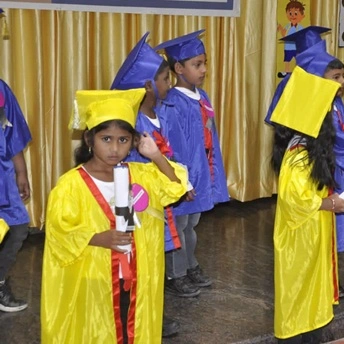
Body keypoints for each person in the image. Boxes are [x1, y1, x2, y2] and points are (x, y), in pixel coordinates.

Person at [41, 89, 189, 343]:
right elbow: (59, 231)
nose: (114, 148)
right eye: (106, 139)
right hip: (97, 277)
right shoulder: (70, 185)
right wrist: (100, 237)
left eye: (123, 140)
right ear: (89, 140)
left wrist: (155, 156)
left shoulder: (141, 175)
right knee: (102, 331)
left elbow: (176, 186)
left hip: (139, 274)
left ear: (133, 142)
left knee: (133, 329)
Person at [269, 54, 344, 342]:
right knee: (299, 294)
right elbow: (296, 201)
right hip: (299, 242)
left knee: (312, 295)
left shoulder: (308, 148)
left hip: (313, 236)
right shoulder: (298, 154)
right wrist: (331, 203)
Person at [111, 32, 187, 336]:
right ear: (147, 85)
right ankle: (136, 317)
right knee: (135, 264)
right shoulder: (133, 128)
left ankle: (153, 312)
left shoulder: (160, 116)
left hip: (159, 202)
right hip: (137, 209)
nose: (170, 84)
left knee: (155, 264)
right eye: (166, 79)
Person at [155, 30, 229, 295]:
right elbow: (172, 147)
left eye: (205, 63)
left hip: (201, 172)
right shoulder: (171, 102)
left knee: (191, 224)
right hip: (183, 178)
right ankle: (176, 275)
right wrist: (181, 182)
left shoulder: (203, 97)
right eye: (197, 64)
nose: (204, 69)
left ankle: (190, 264)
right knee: (177, 225)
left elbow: (210, 137)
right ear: (178, 68)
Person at [0, 79, 31, 313]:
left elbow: (12, 132)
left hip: (3, 175)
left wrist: (21, 172)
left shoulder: (1, 89)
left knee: (17, 227)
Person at [276, 0, 306, 78]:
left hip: (297, 47)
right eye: (290, 13)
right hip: (288, 47)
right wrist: (280, 28)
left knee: (298, 59)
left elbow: (302, 36)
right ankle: (286, 71)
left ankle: (299, 70)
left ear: (302, 16)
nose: (292, 16)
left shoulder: (300, 27)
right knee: (287, 60)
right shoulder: (288, 26)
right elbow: (284, 33)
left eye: (296, 13)